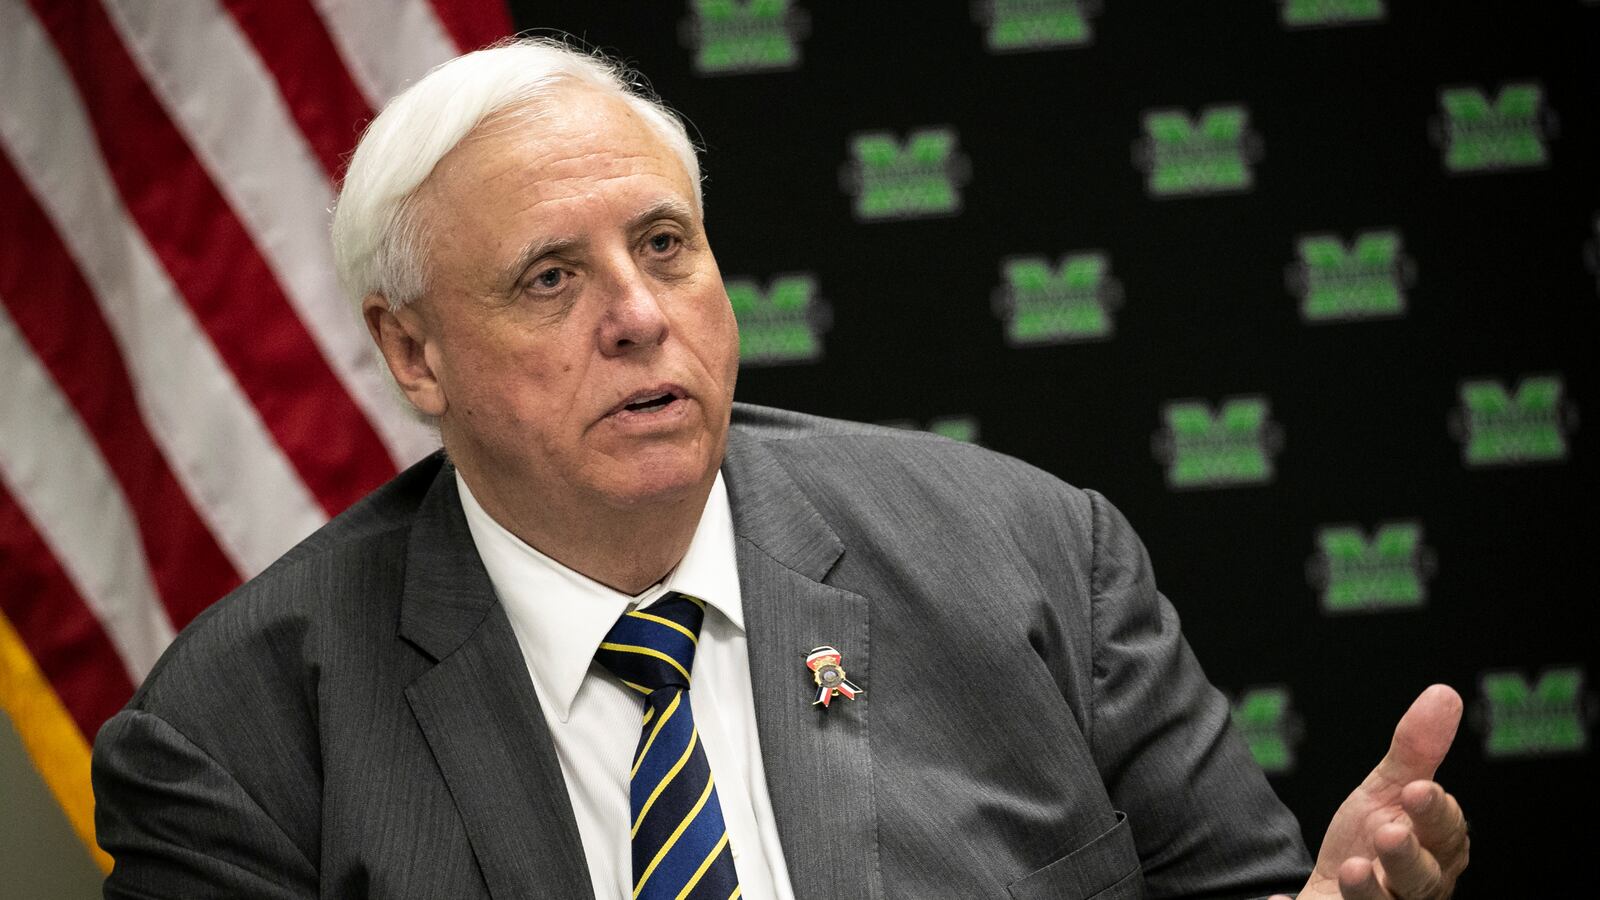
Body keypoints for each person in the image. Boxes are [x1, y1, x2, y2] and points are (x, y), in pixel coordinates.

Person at [91, 39, 1469, 900]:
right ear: (413, 353)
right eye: (551, 277)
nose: (640, 316)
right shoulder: (237, 739)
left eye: (665, 246)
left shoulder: (1036, 556)